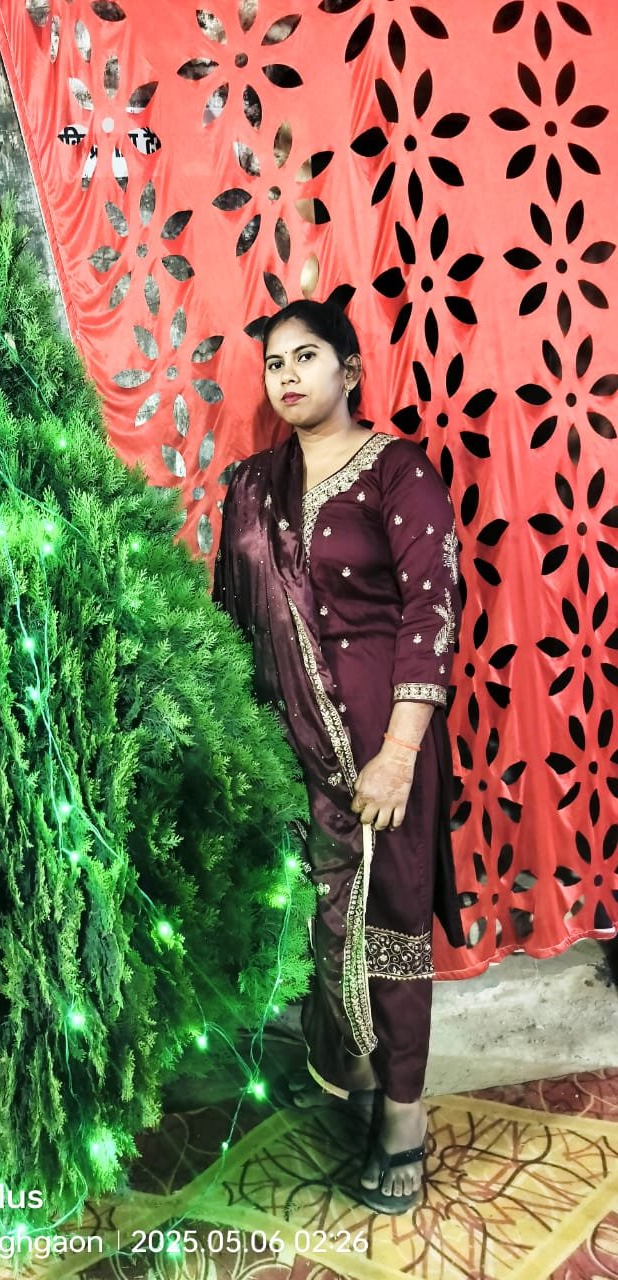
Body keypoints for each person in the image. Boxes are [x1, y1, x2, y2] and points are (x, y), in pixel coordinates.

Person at [212, 299, 465, 1214]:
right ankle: (348, 1068)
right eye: (275, 363)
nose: (287, 375)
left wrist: (398, 751)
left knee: (390, 926)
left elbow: (432, 607)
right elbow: (230, 617)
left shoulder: (398, 470)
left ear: (349, 370)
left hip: (383, 744)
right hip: (288, 748)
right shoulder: (252, 485)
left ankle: (403, 1112)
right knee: (317, 923)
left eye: (307, 356)